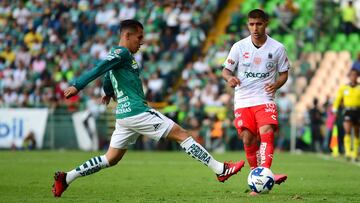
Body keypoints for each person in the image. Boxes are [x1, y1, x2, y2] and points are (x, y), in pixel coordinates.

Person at [52, 19, 245, 198]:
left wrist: (108, 92)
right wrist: (77, 85)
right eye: (139, 37)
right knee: (181, 133)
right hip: (137, 111)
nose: (142, 42)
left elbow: (108, 76)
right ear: (127, 36)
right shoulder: (122, 53)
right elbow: (99, 68)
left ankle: (67, 177)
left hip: (124, 116)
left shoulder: (119, 57)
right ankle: (220, 169)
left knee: (110, 158)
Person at [221, 9, 289, 195]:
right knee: (248, 137)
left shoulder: (277, 48)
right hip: (243, 99)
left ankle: (265, 172)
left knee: (266, 131)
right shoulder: (239, 47)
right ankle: (256, 174)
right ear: (247, 25)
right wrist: (229, 78)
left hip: (264, 97)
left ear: (266, 23)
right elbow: (226, 71)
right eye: (251, 24)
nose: (255, 28)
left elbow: (284, 74)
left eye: (259, 24)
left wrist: (276, 85)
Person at [332, 69, 360, 161]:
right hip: (348, 111)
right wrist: (335, 108)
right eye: (351, 75)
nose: (353, 77)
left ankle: (355, 153)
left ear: (357, 76)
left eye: (355, 75)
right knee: (347, 130)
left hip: (357, 111)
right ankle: (348, 152)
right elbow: (338, 98)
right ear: (349, 76)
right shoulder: (344, 88)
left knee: (356, 132)